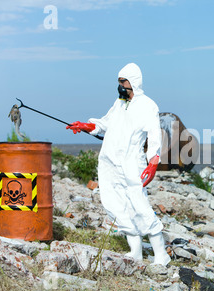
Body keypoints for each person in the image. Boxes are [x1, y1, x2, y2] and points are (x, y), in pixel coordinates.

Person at [66, 62, 170, 266]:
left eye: (123, 81)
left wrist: (153, 162)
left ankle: (161, 254)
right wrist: (85, 125)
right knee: (116, 204)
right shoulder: (119, 103)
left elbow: (154, 135)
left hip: (132, 163)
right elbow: (104, 123)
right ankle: (136, 252)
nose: (120, 85)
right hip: (110, 162)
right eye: (119, 82)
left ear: (133, 82)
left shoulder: (148, 105)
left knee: (139, 206)